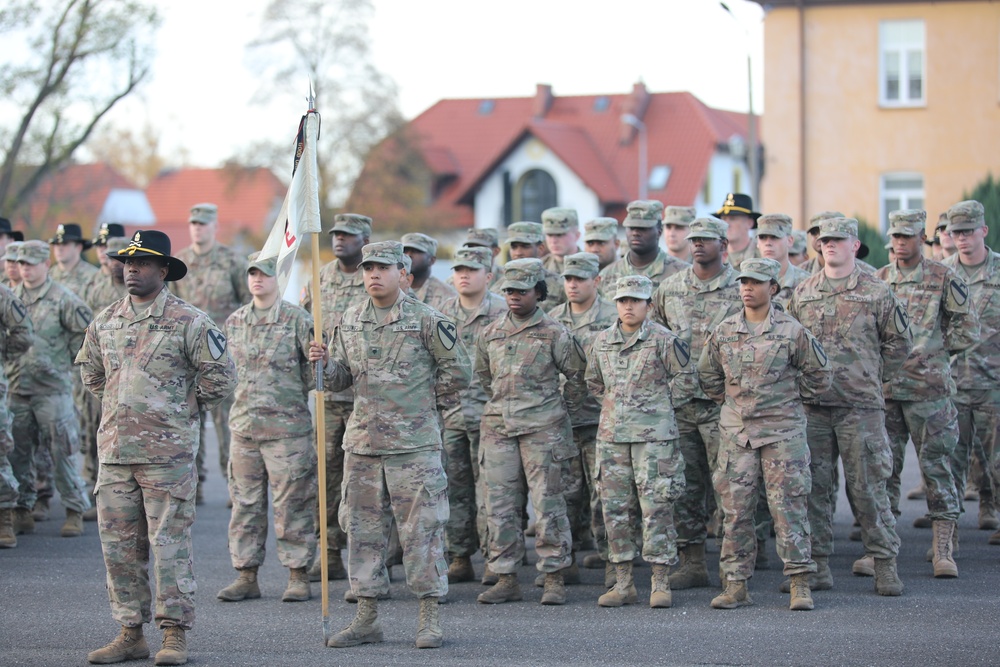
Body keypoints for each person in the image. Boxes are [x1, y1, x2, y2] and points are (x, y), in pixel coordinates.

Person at [78, 229, 237, 665]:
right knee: (119, 549)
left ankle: (173, 634)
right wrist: (122, 407)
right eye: (128, 261)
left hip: (167, 457)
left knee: (169, 546)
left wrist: (177, 409)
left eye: (143, 262)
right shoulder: (106, 319)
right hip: (115, 455)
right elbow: (92, 374)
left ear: (164, 270)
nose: (132, 268)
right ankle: (130, 632)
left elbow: (221, 377)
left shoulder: (190, 321)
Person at [310, 240, 470, 650]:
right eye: (367, 269)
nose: (373, 275)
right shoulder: (348, 319)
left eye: (383, 267)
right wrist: (324, 366)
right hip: (363, 445)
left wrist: (418, 405)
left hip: (413, 446)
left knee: (422, 531)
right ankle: (367, 618)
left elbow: (460, 372)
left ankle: (429, 616)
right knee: (362, 531)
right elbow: (340, 380)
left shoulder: (427, 320)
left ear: (403, 273)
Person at [788, 217, 912, 596]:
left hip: (861, 408)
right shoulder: (803, 291)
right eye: (825, 240)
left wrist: (872, 378)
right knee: (814, 490)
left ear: (854, 245)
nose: (830, 245)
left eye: (838, 240)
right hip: (814, 408)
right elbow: (790, 344)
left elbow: (899, 344)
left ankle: (885, 564)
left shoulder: (877, 291)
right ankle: (818, 565)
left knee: (869, 488)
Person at [699, 258, 831, 611]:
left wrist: (787, 404)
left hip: (782, 433)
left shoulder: (792, 331)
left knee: (789, 508)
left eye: (756, 282)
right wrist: (734, 405)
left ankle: (800, 582)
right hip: (737, 434)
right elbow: (708, 376)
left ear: (773, 288)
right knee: (735, 511)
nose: (747, 288)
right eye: (743, 281)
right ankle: (736, 584)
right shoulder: (724, 330)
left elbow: (820, 376)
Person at [475, 258, 587, 607]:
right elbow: (482, 376)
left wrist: (555, 411)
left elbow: (578, 378)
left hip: (544, 429)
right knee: (499, 505)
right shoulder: (490, 332)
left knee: (549, 503)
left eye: (521, 291)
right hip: (498, 428)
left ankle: (554, 575)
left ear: (538, 293)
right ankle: (505, 576)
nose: (513, 297)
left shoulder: (556, 332)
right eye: (508, 290)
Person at [875, 209, 976, 578]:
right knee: (883, 471)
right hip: (887, 392)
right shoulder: (880, 279)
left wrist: (934, 354)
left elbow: (967, 328)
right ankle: (881, 549)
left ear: (921, 237)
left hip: (929, 393)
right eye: (895, 237)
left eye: (907, 236)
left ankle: (943, 549)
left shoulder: (943, 277)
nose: (900, 243)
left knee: (937, 469)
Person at [217, 253, 318, 604]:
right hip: (245, 428)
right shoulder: (234, 322)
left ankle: (298, 574)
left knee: (294, 505)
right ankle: (246, 574)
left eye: (265, 273)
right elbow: (223, 373)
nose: (258, 279)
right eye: (253, 273)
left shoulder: (297, 319)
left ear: (280, 277)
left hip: (287, 431)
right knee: (244, 504)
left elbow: (315, 374)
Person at [587, 274, 692, 608]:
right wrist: (618, 408)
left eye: (635, 300)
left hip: (654, 440)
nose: (628, 306)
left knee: (657, 508)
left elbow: (687, 380)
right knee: (615, 510)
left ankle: (660, 581)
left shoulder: (664, 340)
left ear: (649, 304)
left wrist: (659, 408)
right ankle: (623, 583)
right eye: (622, 300)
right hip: (612, 438)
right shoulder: (602, 340)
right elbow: (593, 381)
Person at [651, 218, 742, 590]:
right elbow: (655, 337)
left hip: (725, 404)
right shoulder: (669, 289)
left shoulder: (741, 289)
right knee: (685, 486)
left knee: (730, 486)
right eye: (694, 240)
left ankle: (733, 564)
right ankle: (692, 562)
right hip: (681, 402)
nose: (698, 245)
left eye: (706, 240)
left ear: (724, 244)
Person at [300, 213, 372, 582]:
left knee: (365, 483)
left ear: (365, 239)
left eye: (348, 235)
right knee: (326, 478)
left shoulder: (375, 277)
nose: (339, 240)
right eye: (336, 234)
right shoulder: (320, 277)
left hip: (365, 396)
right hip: (329, 393)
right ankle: (328, 553)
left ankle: (374, 556)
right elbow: (304, 323)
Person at [8, 240, 92, 539]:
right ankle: (22, 509)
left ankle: (73, 510)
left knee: (63, 452)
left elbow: (86, 334)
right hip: (17, 387)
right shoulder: (11, 297)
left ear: (46, 264)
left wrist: (65, 363)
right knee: (17, 453)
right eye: (21, 264)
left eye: (31, 264)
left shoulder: (63, 299)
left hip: (53, 390)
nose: (25, 269)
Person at [437, 246, 507, 585]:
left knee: (493, 490)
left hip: (491, 415)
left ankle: (496, 559)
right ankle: (460, 555)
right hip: (451, 414)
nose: (463, 275)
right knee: (454, 488)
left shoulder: (504, 312)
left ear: (489, 276)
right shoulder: (440, 313)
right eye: (459, 269)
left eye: (472, 269)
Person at [547, 252, 618, 586]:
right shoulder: (550, 319)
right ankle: (567, 559)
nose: (572, 285)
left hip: (600, 418)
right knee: (565, 493)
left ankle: (613, 562)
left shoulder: (613, 316)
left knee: (604, 494)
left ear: (597, 281)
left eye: (579, 279)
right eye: (567, 279)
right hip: (560, 420)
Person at [173, 203, 251, 503]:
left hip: (222, 355)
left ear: (214, 226)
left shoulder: (232, 260)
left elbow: (246, 304)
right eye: (193, 223)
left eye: (203, 224)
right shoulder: (179, 262)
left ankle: (234, 484)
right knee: (189, 420)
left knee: (227, 423)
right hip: (187, 355)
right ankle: (195, 484)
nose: (198, 228)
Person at [941, 200, 1000, 546]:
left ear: (983, 230)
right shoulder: (942, 274)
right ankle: (947, 538)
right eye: (956, 232)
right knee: (951, 463)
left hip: (995, 385)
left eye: (968, 231)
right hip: (953, 386)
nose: (962, 238)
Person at [81, 234, 130, 516]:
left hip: (137, 377)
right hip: (105, 375)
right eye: (109, 257)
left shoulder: (141, 286)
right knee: (95, 433)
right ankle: (95, 491)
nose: (113, 263)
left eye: (118, 257)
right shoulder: (94, 285)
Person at [598, 200, 688, 300]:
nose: (635, 233)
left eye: (643, 228)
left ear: (659, 232)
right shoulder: (606, 276)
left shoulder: (683, 274)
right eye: (631, 228)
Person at [0, 279, 33, 548]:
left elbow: (23, 333)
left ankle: (5, 517)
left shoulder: (3, 295)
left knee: (0, 450)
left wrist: (2, 355)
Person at [500, 221, 566, 309]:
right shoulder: (501, 285)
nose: (518, 253)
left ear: (540, 248)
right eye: (514, 247)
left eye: (525, 246)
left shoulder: (560, 285)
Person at [755, 213, 811, 309]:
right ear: (757, 243)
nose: (768, 243)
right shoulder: (746, 283)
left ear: (790, 241)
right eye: (763, 237)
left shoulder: (807, 283)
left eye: (775, 237)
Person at [401, 232, 456, 312]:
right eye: (405, 251)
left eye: (416, 251)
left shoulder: (447, 296)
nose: (408, 255)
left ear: (432, 260)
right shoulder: (391, 289)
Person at [49, 222, 99, 300]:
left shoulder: (94, 277)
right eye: (56, 244)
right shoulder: (48, 276)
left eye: (65, 243)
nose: (59, 249)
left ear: (78, 247)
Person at [716, 193, 760, 269]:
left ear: (749, 223)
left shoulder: (762, 255)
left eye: (733, 219)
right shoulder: (714, 257)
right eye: (724, 219)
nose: (727, 224)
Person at [541, 207, 581, 274]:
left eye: (559, 235)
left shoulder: (592, 266)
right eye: (549, 235)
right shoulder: (539, 268)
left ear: (577, 235)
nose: (554, 241)